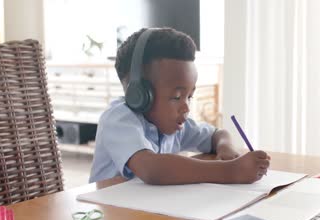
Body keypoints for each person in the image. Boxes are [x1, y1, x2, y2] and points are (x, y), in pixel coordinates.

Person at [89, 27, 270, 185]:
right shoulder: (118, 119)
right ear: (140, 95)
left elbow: (217, 134)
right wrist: (230, 171)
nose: (186, 107)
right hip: (106, 217)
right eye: (176, 97)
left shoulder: (175, 126)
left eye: (189, 96)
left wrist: (226, 147)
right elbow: (153, 169)